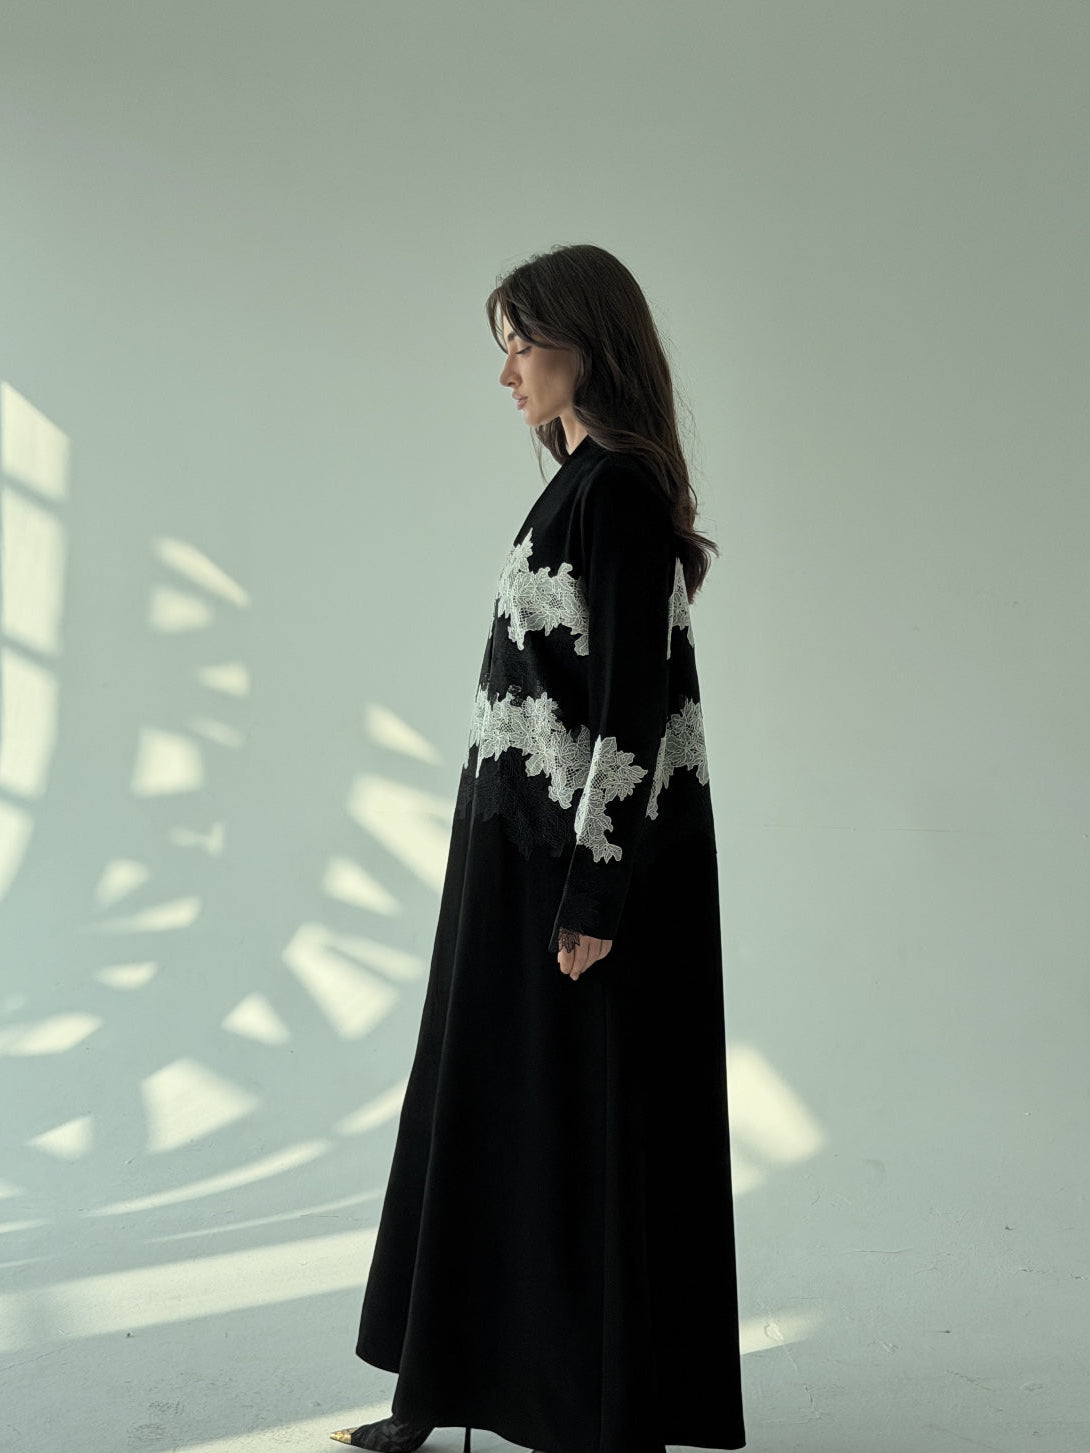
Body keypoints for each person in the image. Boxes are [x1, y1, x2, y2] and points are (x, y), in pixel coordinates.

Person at [332, 244, 746, 1453]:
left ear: (587, 348)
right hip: (512, 856)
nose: (506, 372)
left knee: (569, 1127)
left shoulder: (616, 493)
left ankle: (583, 1408)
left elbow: (632, 710)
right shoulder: (577, 483)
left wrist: (596, 896)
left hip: (573, 867)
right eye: (503, 347)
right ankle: (443, 1388)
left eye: (522, 346)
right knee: (489, 1110)